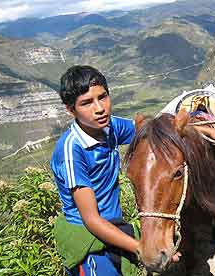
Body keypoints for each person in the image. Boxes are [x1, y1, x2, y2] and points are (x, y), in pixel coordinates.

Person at [50, 65, 180, 275]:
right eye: (86, 103)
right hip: (88, 237)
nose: (99, 108)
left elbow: (150, 131)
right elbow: (91, 219)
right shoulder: (72, 149)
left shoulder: (110, 127)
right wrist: (141, 248)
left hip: (115, 226)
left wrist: (201, 128)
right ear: (70, 109)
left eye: (103, 97)